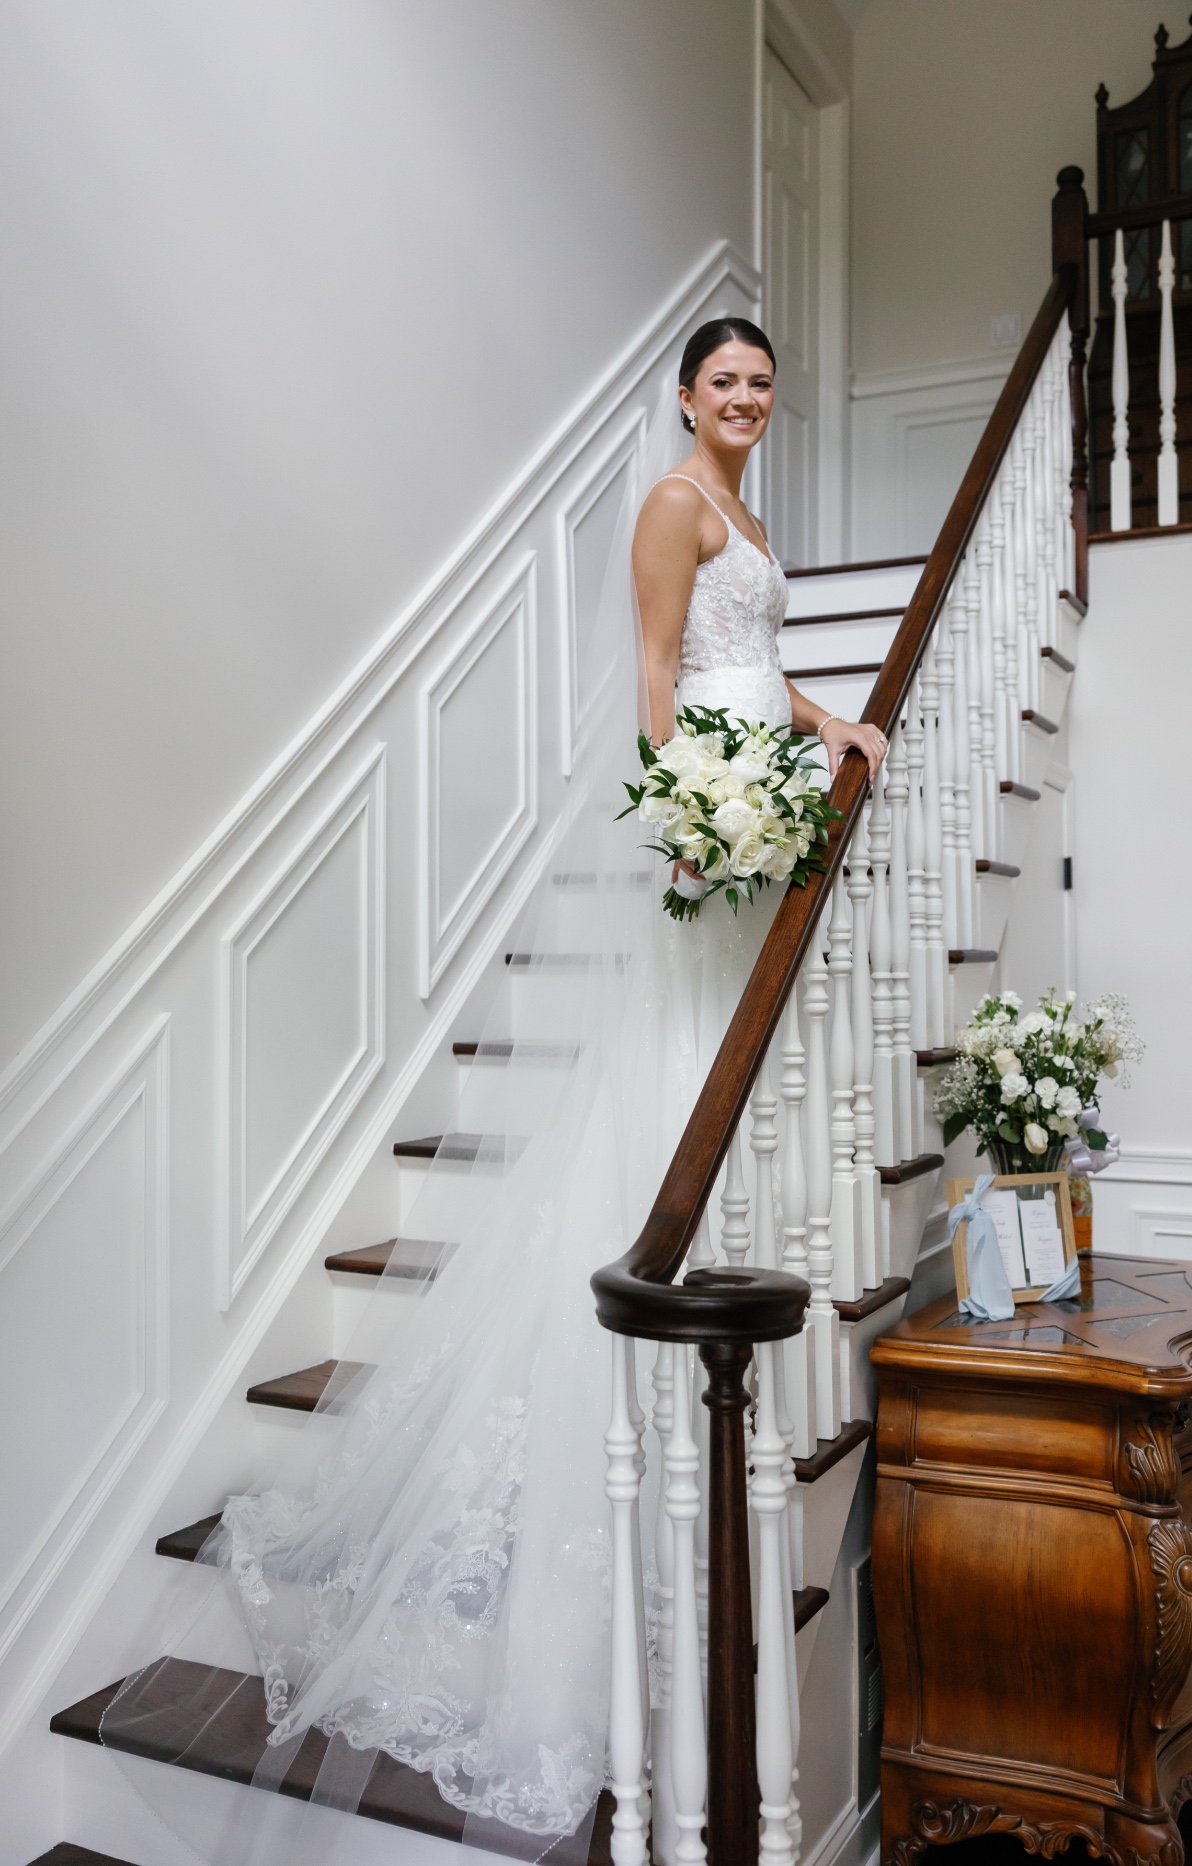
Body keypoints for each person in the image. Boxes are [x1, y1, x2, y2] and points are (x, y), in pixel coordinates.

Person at [102, 320, 885, 1862]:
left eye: (760, 383)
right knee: (690, 1064)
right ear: (684, 395)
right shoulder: (675, 505)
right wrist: (683, 805)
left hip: (766, 778)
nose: (744, 399)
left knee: (735, 1057)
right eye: (724, 381)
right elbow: (662, 670)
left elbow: (754, 663)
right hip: (712, 810)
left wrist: (827, 722)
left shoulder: (754, 514)